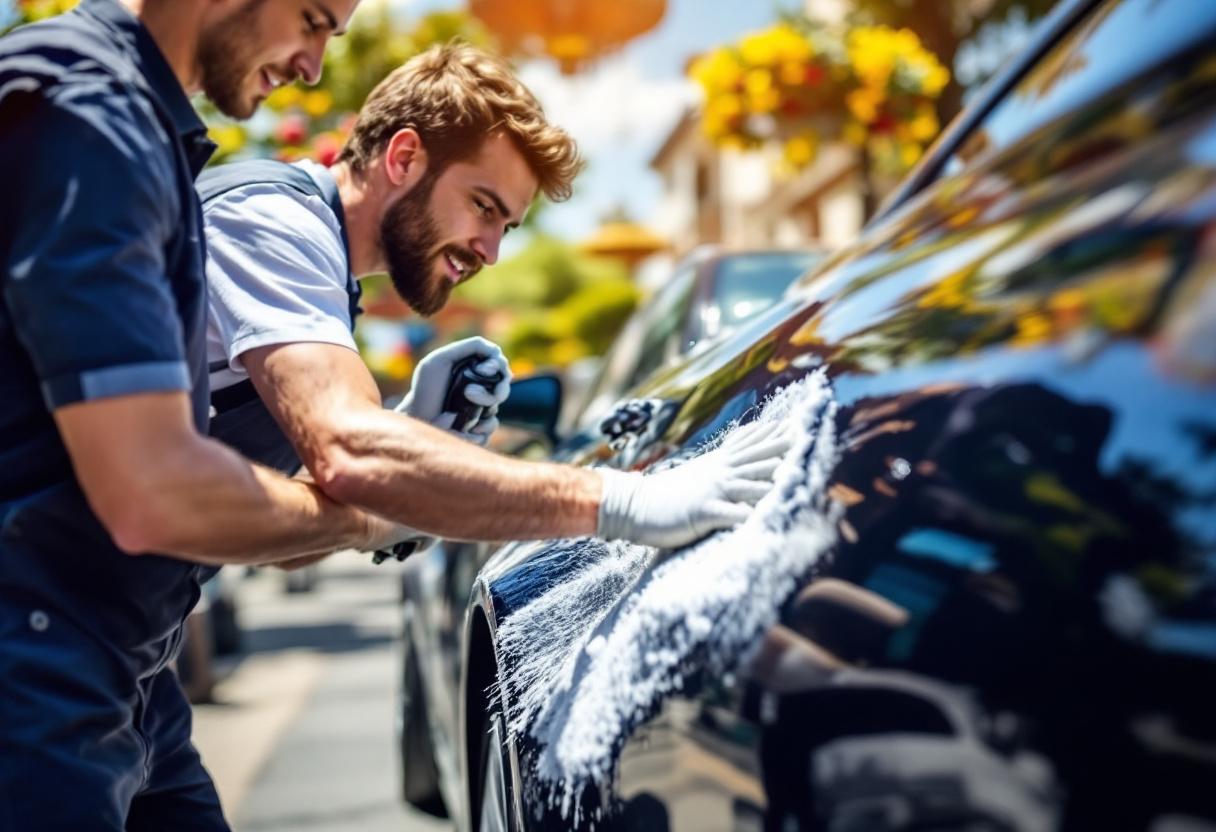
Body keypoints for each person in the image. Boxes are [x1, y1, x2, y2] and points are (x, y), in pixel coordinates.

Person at [0, 1, 411, 829]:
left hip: (123, 673)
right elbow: (158, 489)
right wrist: (374, 512)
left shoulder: (144, 126)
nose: (313, 65)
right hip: (33, 667)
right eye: (313, 18)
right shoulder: (90, 111)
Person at [198, 42, 792, 555]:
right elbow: (348, 451)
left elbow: (274, 532)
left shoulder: (324, 272)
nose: (490, 251)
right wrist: (623, 499)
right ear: (404, 159)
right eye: (484, 206)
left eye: (506, 226)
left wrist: (409, 447)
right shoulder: (272, 222)